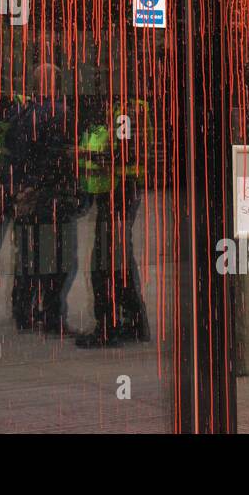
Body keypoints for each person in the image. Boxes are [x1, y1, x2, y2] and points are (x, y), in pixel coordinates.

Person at [5, 63, 81, 337]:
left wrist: (23, 187)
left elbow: (14, 151)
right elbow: (61, 156)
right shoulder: (59, 113)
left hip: (28, 196)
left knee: (29, 255)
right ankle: (51, 315)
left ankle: (23, 312)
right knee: (60, 258)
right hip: (51, 195)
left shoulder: (21, 112)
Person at [75, 96, 151, 348]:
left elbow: (124, 156)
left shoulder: (124, 114)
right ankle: (134, 321)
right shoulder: (132, 109)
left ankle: (108, 326)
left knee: (105, 262)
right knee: (118, 259)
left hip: (119, 192)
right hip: (123, 191)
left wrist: (91, 156)